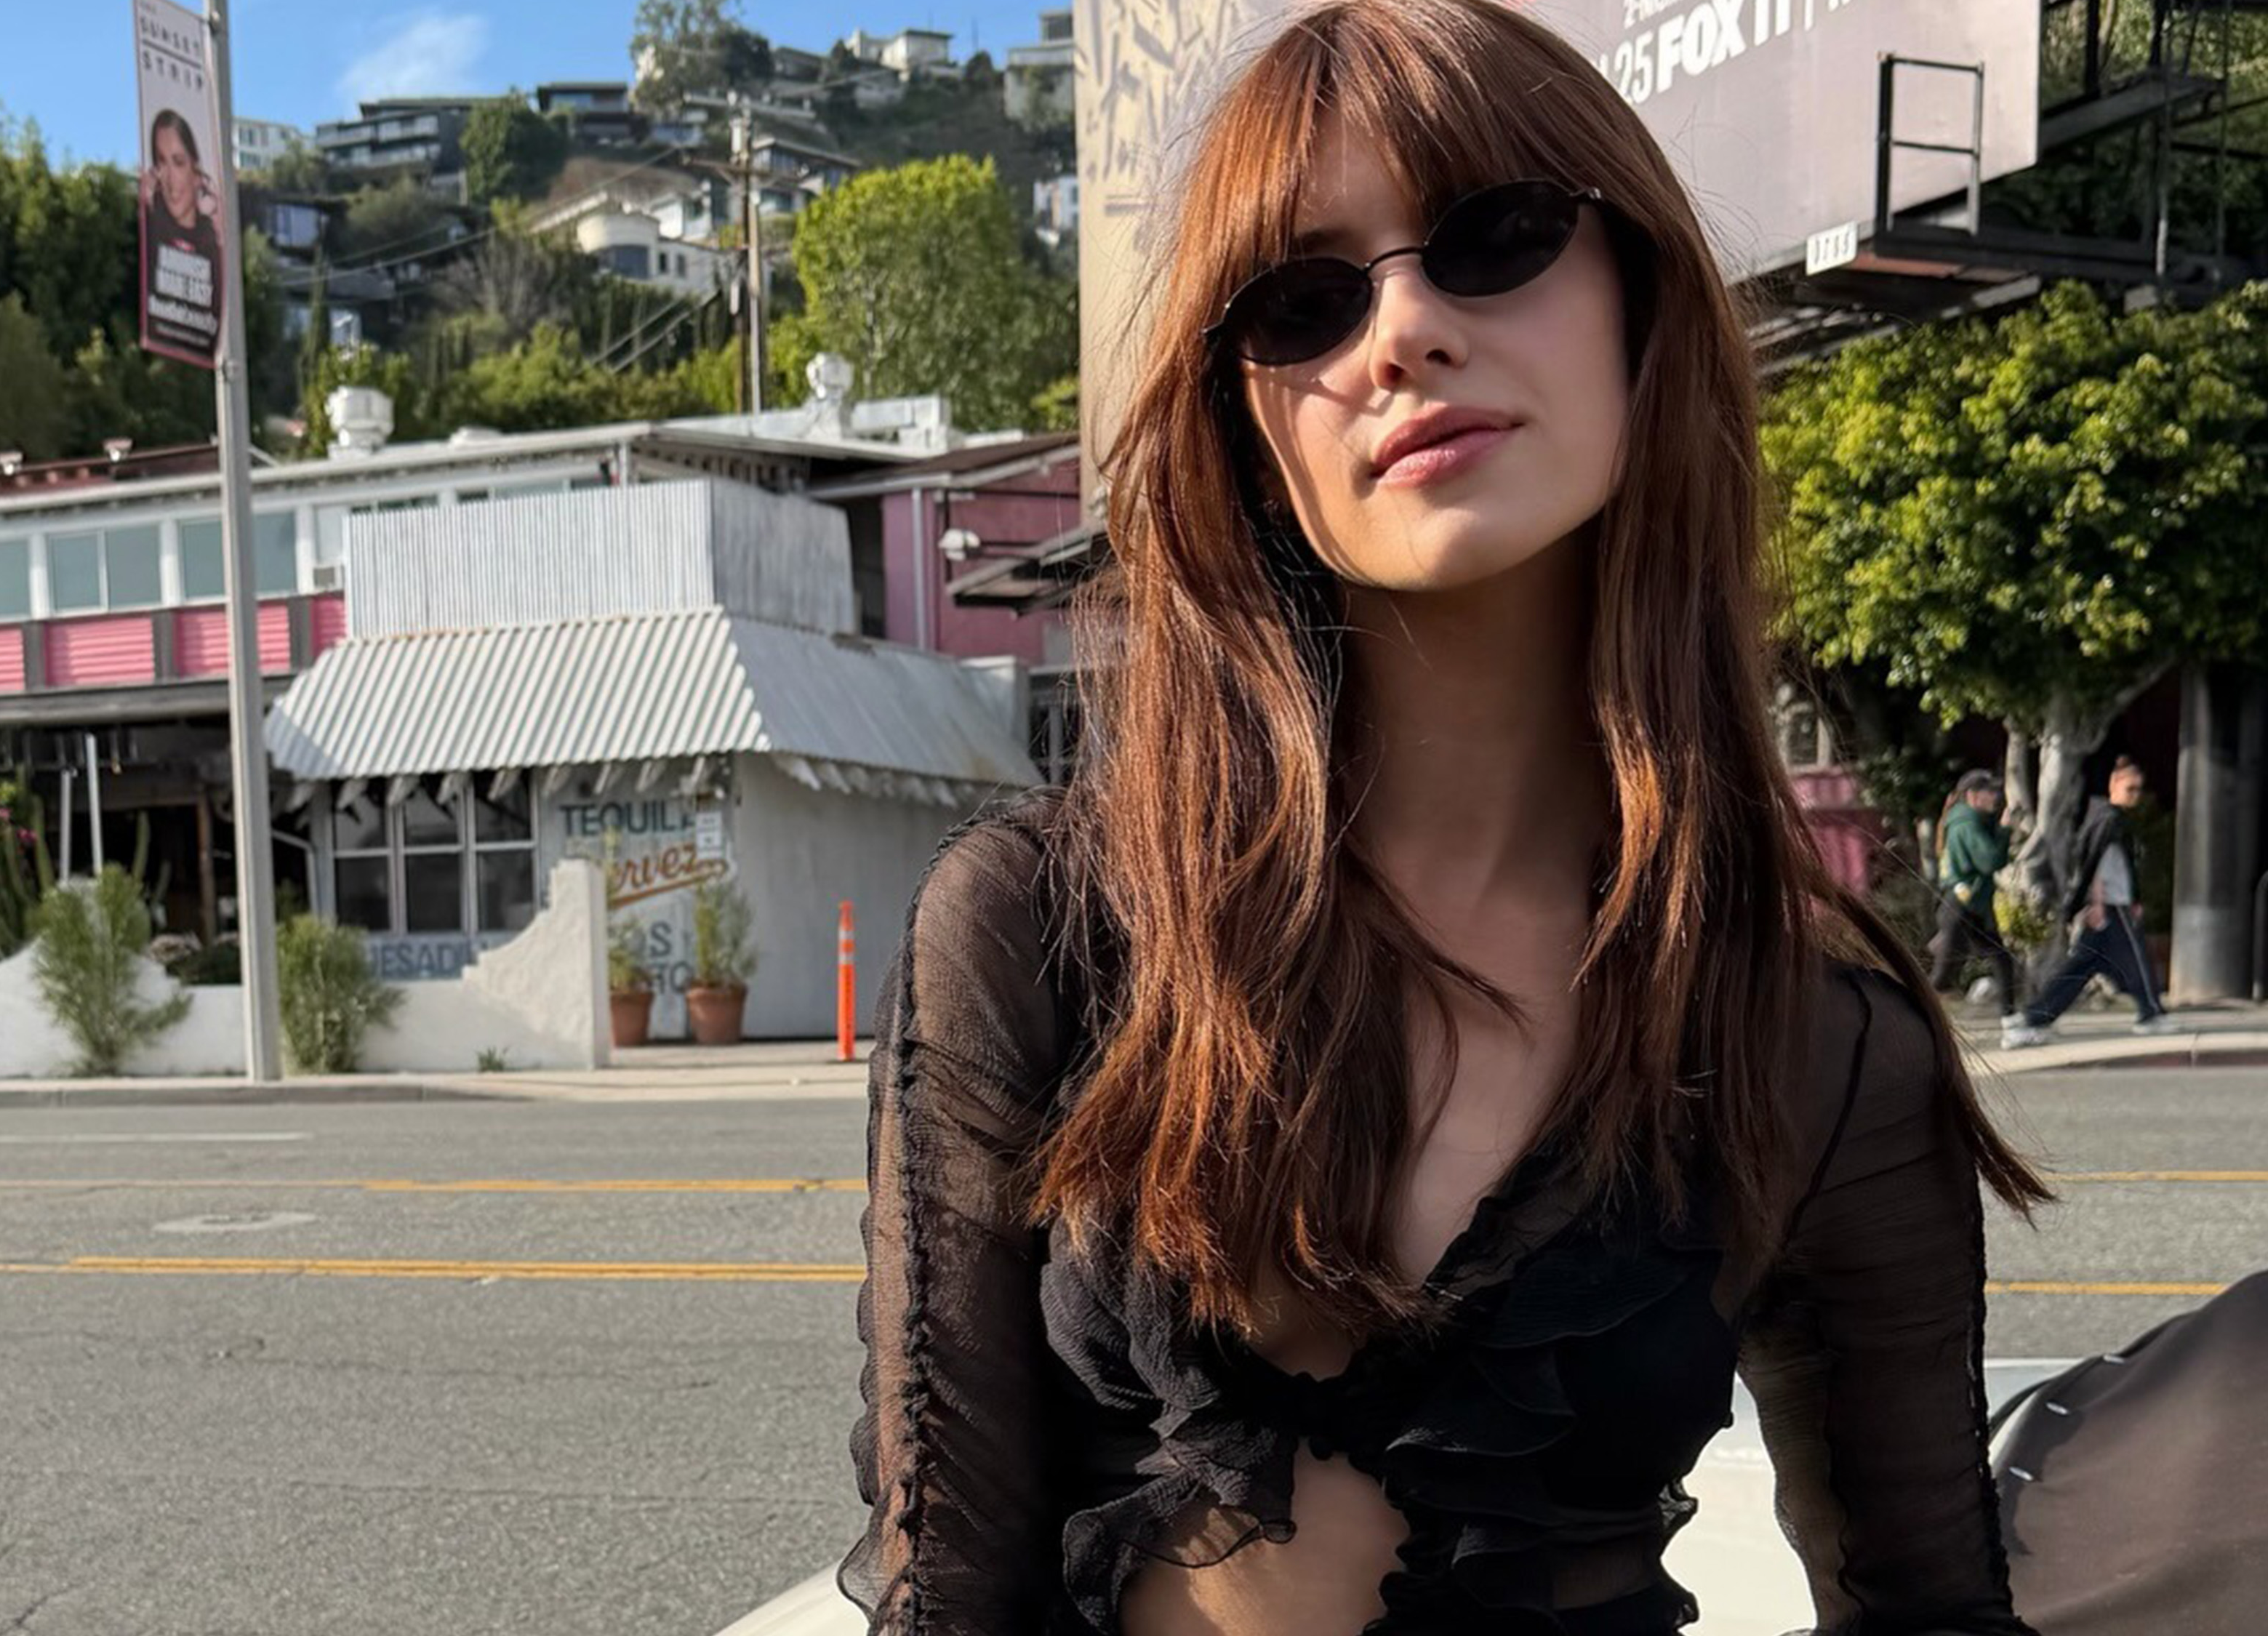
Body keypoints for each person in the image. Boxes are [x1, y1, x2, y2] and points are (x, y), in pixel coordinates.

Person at [843, 4, 2051, 1633]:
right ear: (1249, 432)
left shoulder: (1814, 1040)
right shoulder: (1041, 929)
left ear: (1634, 306)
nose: (1400, 329)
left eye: (1494, 235)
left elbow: (1926, 1605)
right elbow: (951, 1591)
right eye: (1301, 298)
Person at [2003, 758, 2178, 1046]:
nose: (2135, 795)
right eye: (2130, 788)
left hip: (2112, 903)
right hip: (2110, 905)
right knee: (2137, 960)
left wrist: (2126, 898)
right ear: (2114, 784)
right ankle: (2151, 1013)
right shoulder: (2109, 820)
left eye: (2138, 790)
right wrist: (2096, 902)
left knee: (2081, 966)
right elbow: (2094, 865)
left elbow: (2102, 864)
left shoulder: (2103, 817)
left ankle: (2035, 1017)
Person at [1928, 769, 2027, 1044]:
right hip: (1960, 907)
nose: (1995, 797)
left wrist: (1999, 828)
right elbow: (1990, 861)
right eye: (1989, 792)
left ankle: (2011, 1023)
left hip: (1969, 907)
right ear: (1973, 796)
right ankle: (1906, 1023)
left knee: (2001, 959)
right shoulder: (1967, 824)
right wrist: (2005, 830)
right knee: (1942, 977)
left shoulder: (1970, 820)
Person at [140, 108, 221, 353]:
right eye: (161, 162)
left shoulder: (215, 251)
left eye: (178, 162)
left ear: (196, 173)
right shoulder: (149, 239)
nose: (170, 178)